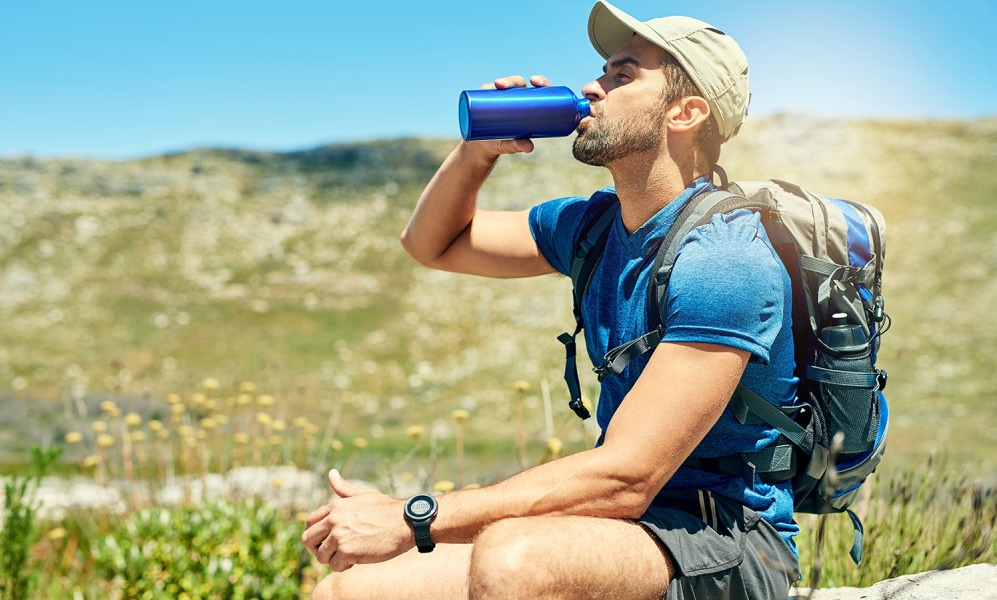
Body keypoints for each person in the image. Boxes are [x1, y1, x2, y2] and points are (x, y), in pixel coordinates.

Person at [302, 1, 801, 598]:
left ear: (685, 112)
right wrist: (477, 151)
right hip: (626, 528)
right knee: (350, 589)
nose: (592, 86)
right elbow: (434, 244)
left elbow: (627, 476)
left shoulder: (724, 258)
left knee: (514, 560)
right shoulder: (591, 226)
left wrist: (413, 518)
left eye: (621, 75)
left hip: (727, 538)